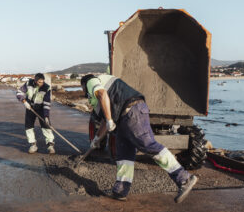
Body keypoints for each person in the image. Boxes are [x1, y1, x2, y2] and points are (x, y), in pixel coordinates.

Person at [81, 74, 198, 203]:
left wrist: (109, 120)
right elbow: (104, 120)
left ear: (84, 85)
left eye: (83, 90)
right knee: (123, 155)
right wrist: (96, 139)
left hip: (132, 111)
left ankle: (184, 179)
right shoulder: (104, 94)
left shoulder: (91, 81)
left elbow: (102, 95)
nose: (85, 94)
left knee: (148, 145)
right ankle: (120, 190)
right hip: (123, 118)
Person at [16, 73, 55, 154]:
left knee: (46, 125)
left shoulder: (46, 88)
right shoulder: (28, 83)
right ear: (35, 80)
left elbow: (47, 103)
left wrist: (46, 116)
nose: (41, 84)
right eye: (39, 82)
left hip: (41, 108)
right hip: (30, 107)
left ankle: (50, 145)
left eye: (42, 82)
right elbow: (19, 92)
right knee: (29, 126)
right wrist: (24, 102)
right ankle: (33, 145)